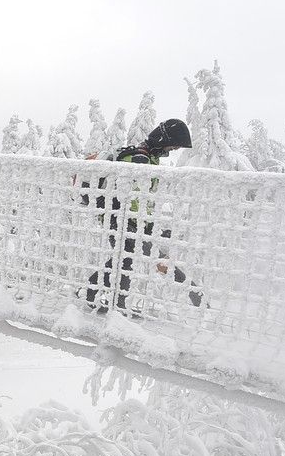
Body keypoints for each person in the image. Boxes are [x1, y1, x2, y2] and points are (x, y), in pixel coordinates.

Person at [84, 119, 203, 312]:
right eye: (171, 147)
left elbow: (144, 199)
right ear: (163, 140)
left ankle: (98, 295)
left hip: (131, 220)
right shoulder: (139, 159)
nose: (170, 151)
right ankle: (107, 299)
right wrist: (141, 224)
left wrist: (148, 226)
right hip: (119, 218)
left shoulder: (150, 159)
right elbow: (132, 196)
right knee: (127, 260)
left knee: (124, 260)